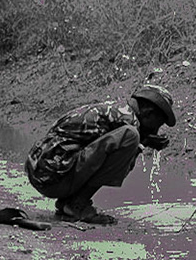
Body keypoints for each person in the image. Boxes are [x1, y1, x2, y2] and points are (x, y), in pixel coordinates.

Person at [24, 84, 176, 223]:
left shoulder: (116, 109)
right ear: (149, 113)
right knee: (131, 136)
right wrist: (143, 143)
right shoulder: (130, 121)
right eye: (158, 124)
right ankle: (77, 205)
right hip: (53, 179)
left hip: (42, 173)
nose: (156, 131)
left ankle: (68, 203)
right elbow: (123, 167)